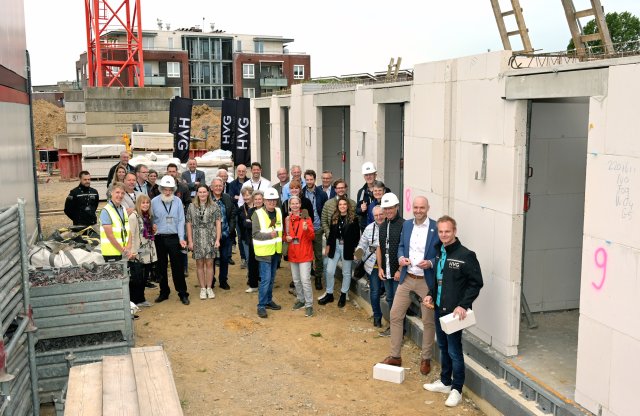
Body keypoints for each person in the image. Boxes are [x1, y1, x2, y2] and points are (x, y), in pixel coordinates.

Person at [423, 215, 483, 407]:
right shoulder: (439, 251)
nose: (444, 235)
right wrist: (430, 294)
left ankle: (457, 389)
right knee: (442, 347)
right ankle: (445, 382)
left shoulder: (466, 255)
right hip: (439, 309)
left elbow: (476, 283)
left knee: (455, 351)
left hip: (455, 314)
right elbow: (439, 279)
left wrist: (463, 305)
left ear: (455, 231)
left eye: (447, 231)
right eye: (440, 231)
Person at [380, 196, 438, 377]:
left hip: (426, 282)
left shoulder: (435, 228)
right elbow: (401, 246)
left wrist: (430, 262)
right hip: (407, 278)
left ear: (428, 208)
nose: (418, 210)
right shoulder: (407, 225)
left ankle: (426, 358)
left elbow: (441, 253)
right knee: (395, 315)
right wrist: (400, 259)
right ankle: (395, 356)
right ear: (411, 208)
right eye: (416, 207)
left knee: (428, 321)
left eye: (422, 207)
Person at [151, 175, 190, 305]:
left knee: (177, 267)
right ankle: (164, 292)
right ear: (161, 189)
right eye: (165, 189)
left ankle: (182, 293)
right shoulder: (154, 202)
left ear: (173, 189)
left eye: (170, 189)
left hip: (174, 238)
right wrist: (151, 227)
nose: (167, 192)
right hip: (159, 239)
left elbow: (181, 221)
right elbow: (150, 219)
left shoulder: (178, 201)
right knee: (161, 267)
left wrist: (181, 238)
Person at [320, 196, 360, 307]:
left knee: (346, 272)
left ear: (348, 206)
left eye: (344, 204)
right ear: (338, 206)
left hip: (347, 247)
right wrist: (328, 246)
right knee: (329, 270)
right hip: (335, 246)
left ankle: (343, 294)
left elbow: (357, 236)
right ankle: (329, 293)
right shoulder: (334, 217)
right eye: (340, 204)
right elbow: (331, 234)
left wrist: (356, 251)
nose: (342, 206)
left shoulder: (353, 219)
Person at [375, 192, 405, 336]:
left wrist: (400, 269)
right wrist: (380, 267)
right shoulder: (382, 225)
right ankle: (394, 328)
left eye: (390, 208)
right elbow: (379, 248)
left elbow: (406, 249)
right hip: (386, 270)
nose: (388, 211)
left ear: (397, 207)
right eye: (385, 209)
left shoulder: (404, 225)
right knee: (390, 298)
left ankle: (398, 330)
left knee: (398, 303)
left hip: (398, 272)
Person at [252, 188, 283, 318]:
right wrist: (270, 235)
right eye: (269, 200)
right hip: (264, 252)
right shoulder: (257, 214)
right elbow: (255, 234)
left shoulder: (279, 211)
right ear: (264, 201)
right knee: (265, 280)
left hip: (276, 251)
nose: (271, 202)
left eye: (274, 200)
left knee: (271, 279)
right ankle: (261, 305)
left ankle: (269, 301)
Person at [187, 184, 222, 300]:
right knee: (199, 264)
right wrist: (190, 241)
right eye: (200, 192)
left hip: (210, 237)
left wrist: (217, 239)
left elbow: (218, 223)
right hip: (196, 238)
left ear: (208, 192)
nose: (202, 194)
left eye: (204, 192)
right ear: (197, 193)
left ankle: (209, 288)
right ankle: (202, 288)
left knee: (210, 264)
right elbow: (189, 224)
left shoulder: (214, 206)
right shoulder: (191, 206)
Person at [285, 195, 315, 317]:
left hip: (305, 254)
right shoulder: (287, 219)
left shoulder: (306, 218)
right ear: (290, 206)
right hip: (293, 253)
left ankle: (309, 304)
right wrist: (285, 238)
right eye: (293, 204)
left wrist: (307, 229)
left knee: (305, 280)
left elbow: (312, 237)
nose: (295, 206)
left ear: (300, 205)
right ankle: (301, 300)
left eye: (297, 203)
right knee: (296, 280)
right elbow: (284, 235)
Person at [354, 205, 384, 327]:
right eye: (376, 215)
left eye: (381, 214)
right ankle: (377, 316)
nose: (379, 217)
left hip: (388, 266)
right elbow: (362, 245)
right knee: (375, 291)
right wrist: (357, 256)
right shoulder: (369, 228)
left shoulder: (390, 227)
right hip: (373, 266)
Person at [126, 194, 157, 307]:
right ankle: (134, 300)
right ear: (138, 204)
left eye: (147, 202)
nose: (145, 205)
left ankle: (141, 298)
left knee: (144, 276)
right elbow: (131, 235)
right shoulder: (133, 217)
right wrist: (133, 252)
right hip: (137, 252)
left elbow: (149, 236)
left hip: (147, 251)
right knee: (137, 278)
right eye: (143, 203)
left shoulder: (147, 216)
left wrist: (154, 230)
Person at [303, 169, 328, 289]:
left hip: (317, 228)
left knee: (318, 254)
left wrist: (324, 226)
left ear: (315, 179)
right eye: (307, 179)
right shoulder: (301, 193)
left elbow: (325, 210)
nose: (309, 182)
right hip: (305, 228)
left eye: (311, 179)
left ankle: (318, 277)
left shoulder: (322, 194)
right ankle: (307, 275)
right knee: (306, 253)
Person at [210, 177, 236, 290]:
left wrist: (230, 229)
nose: (218, 188)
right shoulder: (206, 199)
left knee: (225, 259)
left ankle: (223, 280)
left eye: (220, 186)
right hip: (210, 236)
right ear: (211, 187)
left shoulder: (227, 197)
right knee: (211, 259)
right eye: (216, 186)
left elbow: (233, 213)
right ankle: (210, 280)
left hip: (225, 234)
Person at [99, 182, 131, 262]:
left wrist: (128, 246)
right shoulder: (106, 211)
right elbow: (110, 235)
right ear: (111, 193)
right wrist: (123, 250)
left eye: (122, 193)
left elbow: (128, 229)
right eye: (117, 192)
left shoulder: (123, 209)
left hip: (123, 252)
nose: (120, 195)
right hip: (111, 253)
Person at [356, 162, 390, 231]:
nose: (368, 177)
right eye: (366, 175)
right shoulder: (361, 192)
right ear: (364, 176)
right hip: (367, 227)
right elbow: (357, 210)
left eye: (371, 174)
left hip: (384, 226)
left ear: (375, 175)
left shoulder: (386, 190)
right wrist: (361, 209)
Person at [239, 188, 261, 292]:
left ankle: (262, 281)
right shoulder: (248, 210)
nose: (257, 201)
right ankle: (253, 284)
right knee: (251, 261)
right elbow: (245, 224)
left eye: (259, 199)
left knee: (261, 262)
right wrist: (256, 225)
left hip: (262, 239)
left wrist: (252, 224)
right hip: (249, 239)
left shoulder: (265, 209)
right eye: (244, 195)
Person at [229, 164, 249, 264]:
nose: (241, 173)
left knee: (249, 235)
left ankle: (249, 257)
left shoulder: (249, 182)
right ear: (237, 172)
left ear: (246, 172)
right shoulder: (232, 184)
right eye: (239, 171)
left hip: (249, 212)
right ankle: (243, 258)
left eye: (243, 171)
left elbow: (250, 196)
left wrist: (238, 197)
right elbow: (231, 198)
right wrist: (236, 197)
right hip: (237, 213)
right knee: (241, 236)